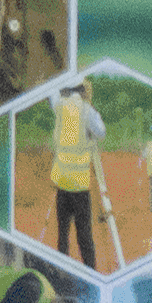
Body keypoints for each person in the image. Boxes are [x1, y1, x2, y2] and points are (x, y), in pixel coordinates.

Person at [48, 82, 103, 264]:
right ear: (84, 91)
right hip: (80, 185)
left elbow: (52, 91)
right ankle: (90, 270)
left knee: (62, 235)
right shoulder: (88, 111)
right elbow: (101, 132)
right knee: (84, 235)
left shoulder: (60, 106)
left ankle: (62, 270)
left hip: (62, 183)